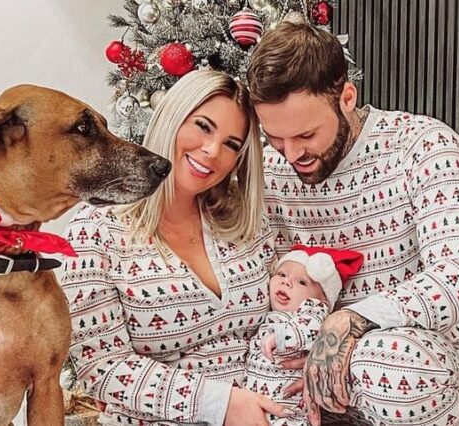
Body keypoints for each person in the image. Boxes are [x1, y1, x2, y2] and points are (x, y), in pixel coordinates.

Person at [247, 22, 459, 425]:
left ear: (347, 98)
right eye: (275, 137)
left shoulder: (424, 145)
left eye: (306, 134)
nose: (291, 154)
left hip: (416, 360)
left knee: (394, 364)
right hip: (302, 358)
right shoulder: (272, 170)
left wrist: (347, 323)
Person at [61, 70, 290, 426]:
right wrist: (221, 404)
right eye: (203, 126)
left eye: (232, 144)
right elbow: (101, 367)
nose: (212, 151)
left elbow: (288, 310)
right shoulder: (95, 231)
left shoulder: (247, 221)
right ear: (172, 118)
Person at [245, 245, 363, 426]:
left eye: (301, 282)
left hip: (287, 406)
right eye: (282, 274)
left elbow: (312, 329)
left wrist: (282, 336)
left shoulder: (313, 310)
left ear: (323, 300)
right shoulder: (270, 316)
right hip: (254, 400)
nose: (286, 282)